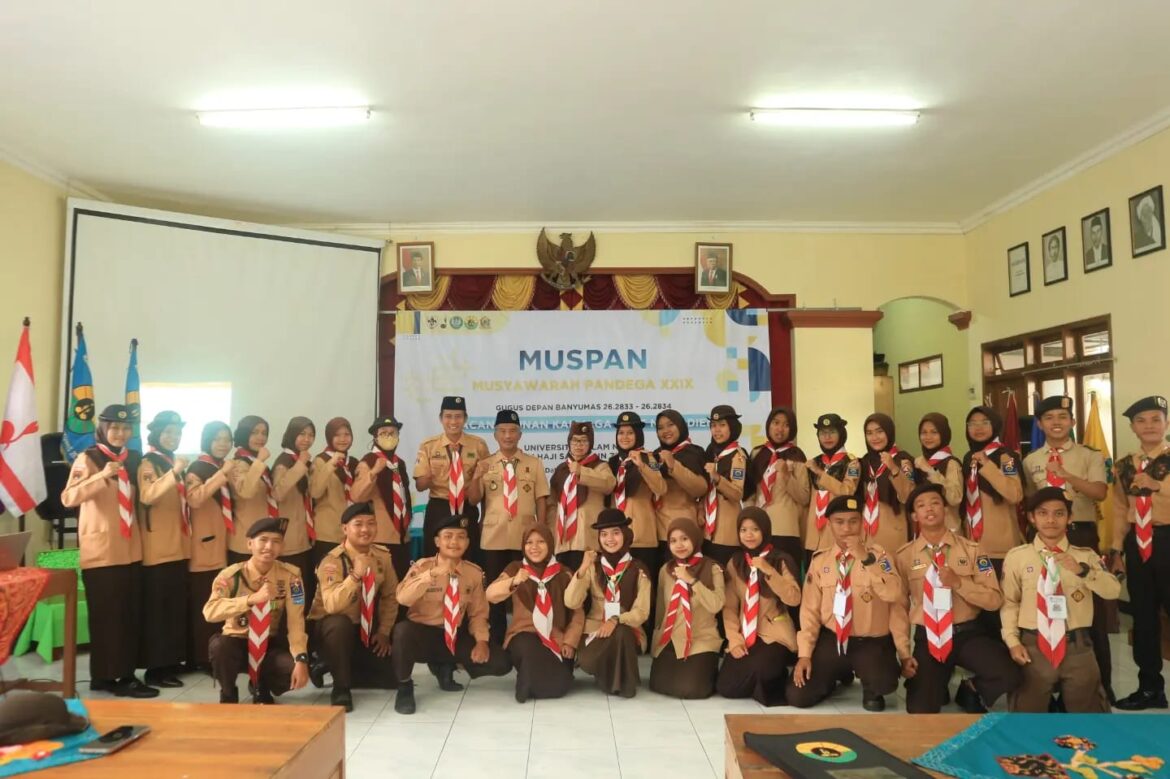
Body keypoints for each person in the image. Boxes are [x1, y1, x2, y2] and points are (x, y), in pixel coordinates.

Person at [891, 483, 1020, 714]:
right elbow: (899, 607)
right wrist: (904, 651)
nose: (929, 509)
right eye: (921, 505)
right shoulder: (904, 556)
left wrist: (959, 583)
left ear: (945, 509)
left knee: (1011, 673)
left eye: (935, 503)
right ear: (914, 516)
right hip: (928, 637)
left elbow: (994, 600)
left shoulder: (972, 550)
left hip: (967, 633)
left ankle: (971, 688)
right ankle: (935, 682)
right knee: (921, 709)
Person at [61, 404, 158, 698]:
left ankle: (115, 675)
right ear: (103, 429)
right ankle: (113, 676)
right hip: (101, 552)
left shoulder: (134, 459)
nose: (120, 433)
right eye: (114, 427)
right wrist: (101, 476)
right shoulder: (89, 458)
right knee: (107, 617)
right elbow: (69, 497)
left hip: (131, 549)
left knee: (128, 614)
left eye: (126, 428)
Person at [1022, 395, 1113, 701]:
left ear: (1072, 421)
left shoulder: (1089, 455)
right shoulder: (1031, 460)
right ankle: (1054, 687)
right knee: (1049, 606)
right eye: (1049, 418)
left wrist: (1068, 476)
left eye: (1062, 417)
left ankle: (1101, 685)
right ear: (1039, 424)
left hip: (1080, 536)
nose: (1056, 423)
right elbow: (1031, 500)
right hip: (1046, 538)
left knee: (1089, 613)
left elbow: (1100, 492)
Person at [1001, 487, 1121, 713]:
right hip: (1033, 648)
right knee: (1026, 720)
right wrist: (1013, 642)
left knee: (1089, 720)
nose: (1051, 520)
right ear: (1032, 518)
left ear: (1070, 517)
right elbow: (1010, 603)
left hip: (1077, 648)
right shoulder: (1017, 557)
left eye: (1059, 513)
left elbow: (1113, 591)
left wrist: (1083, 571)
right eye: (1043, 513)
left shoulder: (1085, 556)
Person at [786, 496, 903, 711]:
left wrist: (866, 559)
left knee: (883, 685)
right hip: (833, 639)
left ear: (862, 522)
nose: (847, 528)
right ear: (829, 524)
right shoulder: (820, 561)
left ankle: (869, 684)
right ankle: (837, 674)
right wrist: (804, 655)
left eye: (853, 521)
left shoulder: (880, 557)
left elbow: (894, 593)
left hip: (870, 641)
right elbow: (809, 611)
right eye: (839, 522)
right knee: (798, 696)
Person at [391, 514, 511, 715]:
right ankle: (404, 687)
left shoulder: (474, 573)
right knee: (402, 632)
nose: (454, 542)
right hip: (422, 635)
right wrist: (431, 575)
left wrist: (481, 642)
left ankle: (445, 665)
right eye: (448, 536)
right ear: (437, 541)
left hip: (454, 635)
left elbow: (478, 613)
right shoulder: (422, 567)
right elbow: (403, 598)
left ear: (468, 542)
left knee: (502, 663)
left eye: (461, 537)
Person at [203, 517, 310, 704]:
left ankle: (261, 685)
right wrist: (250, 600)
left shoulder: (291, 577)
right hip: (235, 642)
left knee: (291, 667)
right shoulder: (231, 576)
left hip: (267, 645)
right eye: (263, 540)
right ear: (250, 544)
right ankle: (228, 692)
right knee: (220, 647)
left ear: (282, 547)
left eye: (276, 541)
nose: (269, 546)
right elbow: (209, 612)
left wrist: (301, 659)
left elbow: (296, 621)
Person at [469, 409, 551, 644]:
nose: (508, 436)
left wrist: (541, 532)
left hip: (525, 539)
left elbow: (541, 500)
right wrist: (476, 477)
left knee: (526, 589)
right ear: (495, 435)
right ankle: (496, 639)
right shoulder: (485, 464)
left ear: (520, 434)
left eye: (513, 431)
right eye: (503, 431)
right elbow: (473, 499)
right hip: (493, 537)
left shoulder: (534, 463)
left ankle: (527, 635)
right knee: (494, 591)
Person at [307, 502, 398, 711]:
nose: (365, 529)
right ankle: (341, 687)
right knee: (339, 624)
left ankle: (330, 665)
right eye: (358, 524)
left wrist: (384, 632)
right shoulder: (332, 561)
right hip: (330, 629)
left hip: (364, 627)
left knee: (391, 677)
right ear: (345, 529)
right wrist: (355, 576)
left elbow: (390, 596)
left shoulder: (382, 556)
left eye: (371, 523)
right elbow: (332, 606)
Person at [1110, 395, 1170, 710]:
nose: (1149, 426)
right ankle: (1150, 688)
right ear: (1133, 427)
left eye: (1156, 419)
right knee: (1144, 617)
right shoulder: (1124, 466)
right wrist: (1116, 549)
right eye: (1141, 421)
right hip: (1139, 544)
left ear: (1167, 423)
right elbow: (1120, 509)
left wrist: (1160, 487)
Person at [485, 522, 583, 702]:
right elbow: (490, 594)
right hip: (524, 632)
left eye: (541, 542)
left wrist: (570, 642)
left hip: (555, 635)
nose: (534, 547)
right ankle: (526, 686)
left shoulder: (564, 573)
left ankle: (533, 681)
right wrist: (514, 581)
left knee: (562, 684)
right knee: (529, 649)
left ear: (550, 544)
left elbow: (577, 613)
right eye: (529, 542)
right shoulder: (516, 568)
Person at [717, 507, 802, 706]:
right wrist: (734, 640)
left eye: (755, 529)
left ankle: (774, 675)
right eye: (743, 530)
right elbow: (729, 607)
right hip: (746, 633)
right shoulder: (736, 562)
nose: (749, 535)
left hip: (774, 634)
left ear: (765, 530)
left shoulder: (780, 560)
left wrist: (769, 571)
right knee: (726, 687)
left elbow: (794, 598)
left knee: (762, 670)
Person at [565, 509, 652, 698]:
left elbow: (642, 612)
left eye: (615, 533)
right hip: (595, 629)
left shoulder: (638, 569)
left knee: (621, 632)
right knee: (587, 661)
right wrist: (582, 568)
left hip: (629, 629)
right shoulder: (593, 567)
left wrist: (616, 619)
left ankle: (622, 684)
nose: (609, 539)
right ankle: (613, 676)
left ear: (625, 534)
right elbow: (571, 601)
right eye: (604, 534)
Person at [136, 410, 190, 688]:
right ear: (156, 433)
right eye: (168, 432)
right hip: (157, 549)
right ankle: (155, 669)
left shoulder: (169, 462)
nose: (174, 437)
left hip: (178, 546)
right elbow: (148, 496)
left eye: (178, 433)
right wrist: (175, 472)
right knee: (159, 612)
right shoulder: (149, 463)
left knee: (173, 609)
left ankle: (171, 662)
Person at [649, 518, 724, 699]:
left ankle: (707, 668)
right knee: (658, 684)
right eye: (673, 541)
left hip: (700, 638)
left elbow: (717, 604)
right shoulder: (666, 570)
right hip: (671, 638)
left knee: (692, 689)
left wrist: (692, 580)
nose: (679, 545)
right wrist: (657, 638)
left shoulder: (712, 568)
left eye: (684, 538)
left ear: (695, 539)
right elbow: (661, 609)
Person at [184, 421, 234, 672]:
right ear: (207, 441)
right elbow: (195, 499)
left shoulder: (222, 466)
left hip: (223, 544)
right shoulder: (198, 468)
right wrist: (221, 476)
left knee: (222, 601)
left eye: (227, 439)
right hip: (204, 547)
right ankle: (202, 657)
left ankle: (218, 654)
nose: (223, 444)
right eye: (217, 439)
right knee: (205, 604)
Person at [413, 396, 490, 558]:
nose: (453, 421)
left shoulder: (478, 445)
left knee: (469, 557)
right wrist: (428, 477)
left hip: (467, 508)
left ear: (465, 418)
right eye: (448, 416)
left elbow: (483, 490)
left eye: (458, 416)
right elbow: (420, 486)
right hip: (439, 507)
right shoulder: (429, 446)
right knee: (434, 558)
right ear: (441, 418)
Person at [608, 411, 667, 607]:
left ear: (638, 435)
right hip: (615, 539)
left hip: (642, 537)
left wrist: (641, 465)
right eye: (621, 433)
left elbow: (661, 488)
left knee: (644, 593)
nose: (625, 437)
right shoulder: (613, 462)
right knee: (618, 590)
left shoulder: (649, 458)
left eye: (630, 433)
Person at [960, 406, 1024, 576]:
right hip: (972, 545)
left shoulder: (1007, 457)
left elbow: (1015, 495)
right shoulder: (968, 457)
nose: (978, 428)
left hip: (1000, 547)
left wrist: (987, 465)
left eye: (985, 422)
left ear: (995, 425)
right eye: (972, 424)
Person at [352, 416, 413, 582]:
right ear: (375, 437)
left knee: (401, 584)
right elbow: (357, 496)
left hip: (402, 536)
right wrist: (373, 472)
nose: (389, 437)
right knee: (382, 585)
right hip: (381, 537)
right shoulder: (368, 462)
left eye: (393, 433)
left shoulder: (399, 463)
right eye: (384, 433)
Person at [793, 414, 860, 563]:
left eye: (832, 432)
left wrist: (820, 473)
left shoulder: (851, 462)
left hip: (836, 536)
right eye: (822, 433)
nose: (827, 437)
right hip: (812, 537)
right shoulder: (814, 462)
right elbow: (804, 497)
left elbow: (847, 491)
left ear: (841, 434)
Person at [549, 421, 615, 571]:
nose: (579, 445)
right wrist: (552, 534)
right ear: (569, 442)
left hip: (588, 540)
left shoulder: (600, 466)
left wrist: (582, 472)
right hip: (563, 543)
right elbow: (551, 504)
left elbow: (609, 484)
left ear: (590, 443)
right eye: (575, 440)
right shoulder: (561, 470)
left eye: (584, 441)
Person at [748, 406, 808, 567]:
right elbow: (750, 491)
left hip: (785, 530)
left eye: (786, 425)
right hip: (757, 529)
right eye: (776, 423)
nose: (780, 429)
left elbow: (804, 497)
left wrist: (787, 476)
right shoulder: (757, 453)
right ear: (769, 425)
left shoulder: (796, 455)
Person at [272, 417, 317, 608]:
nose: (307, 439)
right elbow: (278, 493)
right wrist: (301, 465)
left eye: (311, 435)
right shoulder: (284, 462)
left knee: (304, 591)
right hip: (290, 541)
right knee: (292, 593)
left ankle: (301, 623)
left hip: (304, 538)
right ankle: (289, 626)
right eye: (302, 434)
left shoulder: (301, 461)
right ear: (291, 435)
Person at [856, 413, 916, 553]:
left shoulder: (903, 460)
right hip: (865, 532)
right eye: (869, 433)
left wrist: (893, 468)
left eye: (879, 431)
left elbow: (909, 496)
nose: (875, 437)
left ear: (889, 432)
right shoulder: (865, 461)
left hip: (893, 531)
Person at [653, 409, 709, 552]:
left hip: (682, 531)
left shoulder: (693, 452)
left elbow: (700, 489)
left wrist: (673, 465)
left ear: (680, 425)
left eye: (670, 425)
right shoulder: (655, 455)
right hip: (654, 531)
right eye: (660, 427)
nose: (665, 430)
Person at [309, 417, 360, 571]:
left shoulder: (353, 462)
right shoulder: (320, 460)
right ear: (329, 437)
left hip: (352, 534)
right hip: (328, 533)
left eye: (347, 434)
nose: (343, 439)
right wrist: (331, 464)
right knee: (327, 578)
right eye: (337, 435)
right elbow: (315, 492)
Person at [701, 405, 750, 567]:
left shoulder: (738, 456)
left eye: (722, 425)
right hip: (707, 531)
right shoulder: (711, 452)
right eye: (713, 425)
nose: (717, 430)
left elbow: (737, 494)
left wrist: (717, 478)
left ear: (732, 427)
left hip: (726, 532)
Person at [228, 415, 275, 564]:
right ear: (244, 434)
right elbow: (246, 491)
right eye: (254, 432)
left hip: (263, 539)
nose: (260, 437)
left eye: (264, 433)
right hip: (244, 541)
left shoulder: (257, 464)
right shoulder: (237, 463)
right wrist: (260, 460)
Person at [913, 413, 964, 532]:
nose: (928, 437)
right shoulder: (918, 461)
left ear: (943, 434)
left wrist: (931, 472)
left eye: (934, 432)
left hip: (947, 529)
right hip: (923, 529)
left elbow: (955, 498)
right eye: (924, 432)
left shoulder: (951, 463)